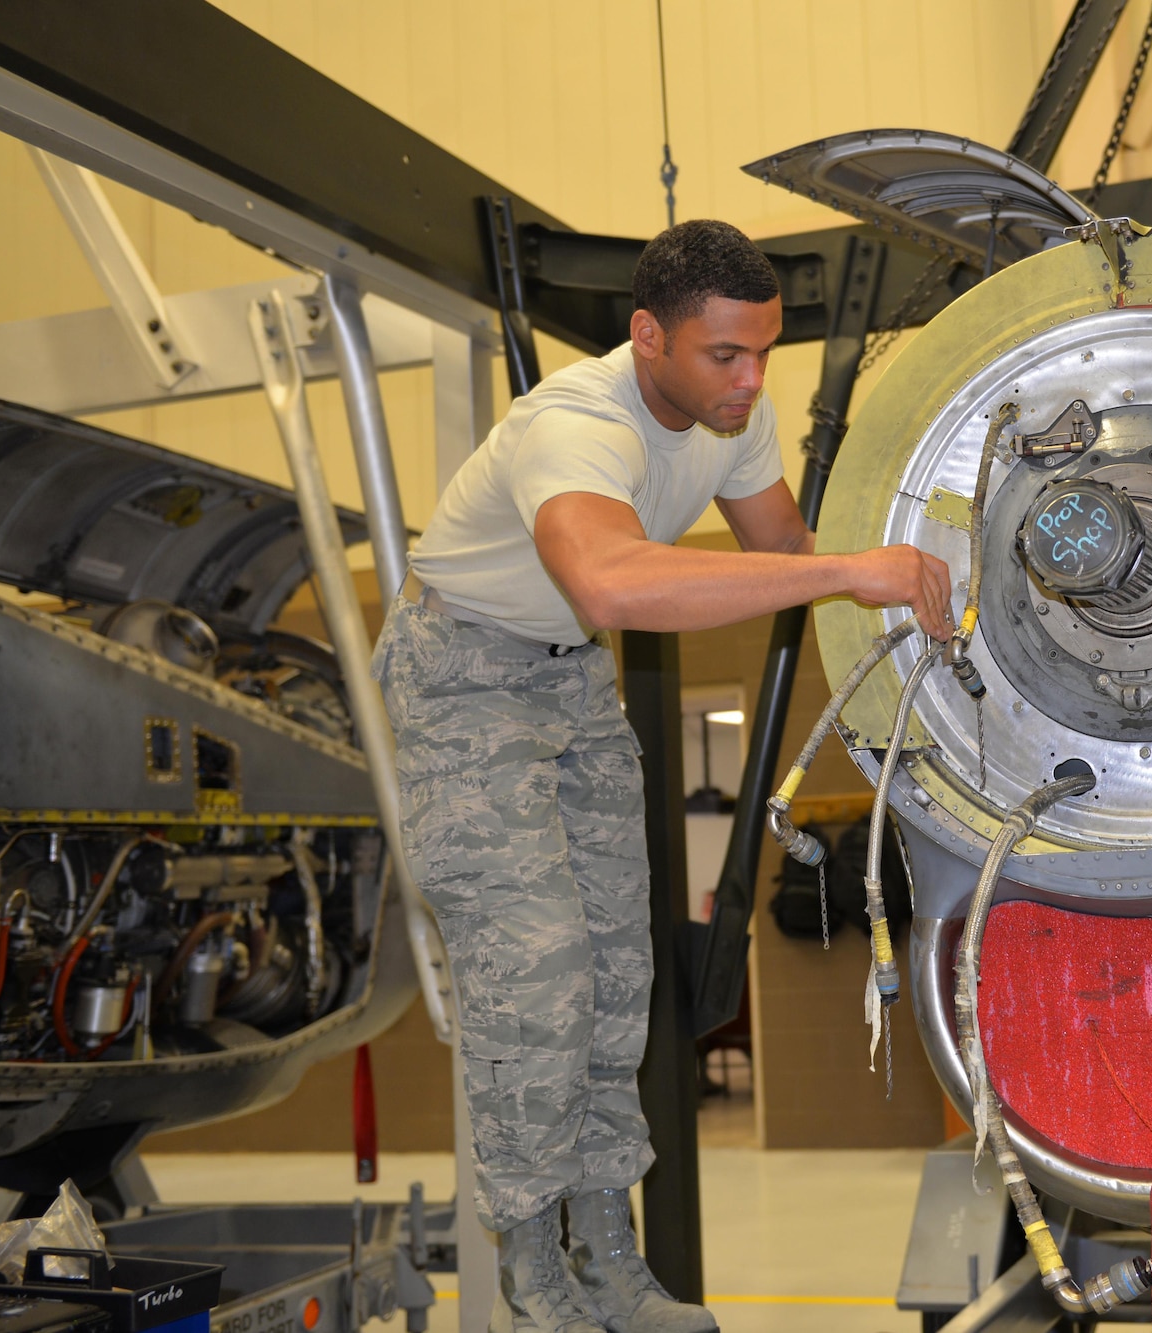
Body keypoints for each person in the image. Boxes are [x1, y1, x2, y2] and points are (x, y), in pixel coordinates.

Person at [371, 219, 953, 1333]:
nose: (749, 381)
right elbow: (608, 587)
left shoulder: (736, 415)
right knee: (534, 968)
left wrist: (903, 581)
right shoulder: (574, 425)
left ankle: (607, 1250)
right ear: (648, 338)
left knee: (616, 975)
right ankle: (532, 1265)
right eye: (723, 356)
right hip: (465, 678)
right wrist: (844, 571)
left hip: (567, 683)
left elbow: (783, 553)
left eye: (764, 352)